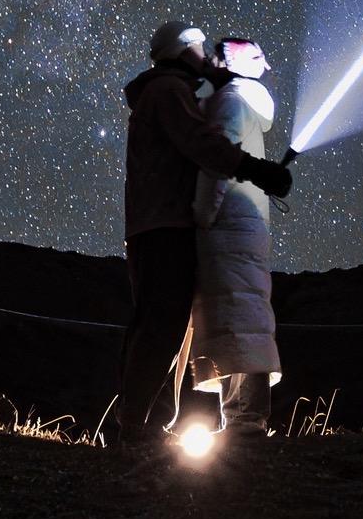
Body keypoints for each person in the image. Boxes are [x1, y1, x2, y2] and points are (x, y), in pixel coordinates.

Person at [116, 22, 292, 445]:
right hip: (164, 226)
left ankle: (142, 424)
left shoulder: (168, 91)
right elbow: (202, 144)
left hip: (156, 224)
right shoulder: (168, 91)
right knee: (161, 325)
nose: (208, 57)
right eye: (199, 47)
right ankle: (138, 427)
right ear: (182, 51)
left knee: (162, 324)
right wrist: (255, 169)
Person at [188, 35, 284, 437]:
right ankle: (244, 419)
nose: (208, 62)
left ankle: (243, 421)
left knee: (234, 315)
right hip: (245, 224)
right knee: (244, 315)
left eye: (215, 58)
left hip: (227, 223)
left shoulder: (231, 101)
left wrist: (202, 214)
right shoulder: (243, 101)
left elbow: (217, 163)